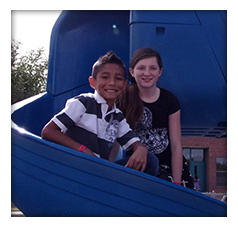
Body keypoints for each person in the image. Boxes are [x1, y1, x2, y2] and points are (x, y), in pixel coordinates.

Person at [41, 51, 159, 176]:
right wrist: (83, 150)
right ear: (92, 82)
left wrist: (141, 148)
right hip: (74, 166)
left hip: (99, 173)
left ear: (124, 85)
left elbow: (133, 141)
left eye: (118, 78)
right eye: (105, 77)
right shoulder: (83, 102)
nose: (112, 83)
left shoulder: (117, 116)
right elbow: (48, 131)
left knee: (150, 161)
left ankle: (126, 193)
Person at [117, 48, 194, 188]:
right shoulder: (123, 99)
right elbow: (114, 139)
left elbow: (176, 146)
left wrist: (176, 183)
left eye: (153, 68)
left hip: (168, 167)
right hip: (138, 167)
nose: (147, 73)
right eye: (141, 68)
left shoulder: (169, 100)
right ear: (132, 71)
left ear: (160, 72)